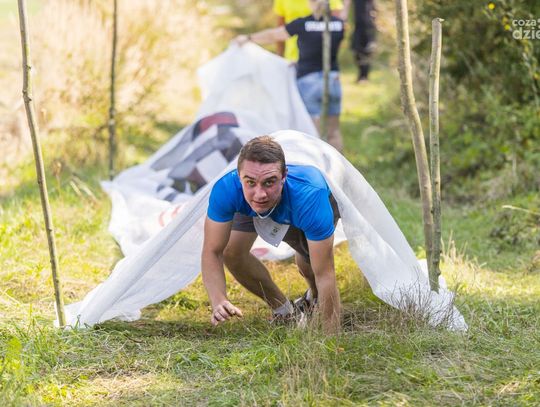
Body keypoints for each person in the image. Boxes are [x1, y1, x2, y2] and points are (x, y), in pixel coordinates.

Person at [201, 136, 341, 334]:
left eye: (269, 182)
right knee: (232, 252)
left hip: (300, 202)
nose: (260, 194)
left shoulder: (310, 194)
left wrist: (330, 339)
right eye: (250, 182)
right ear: (239, 176)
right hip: (250, 205)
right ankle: (285, 312)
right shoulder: (227, 189)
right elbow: (212, 251)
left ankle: (315, 297)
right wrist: (218, 299)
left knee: (309, 265)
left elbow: (326, 274)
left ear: (284, 176)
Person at [236, 0, 346, 152]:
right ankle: (338, 164)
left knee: (313, 134)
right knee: (334, 131)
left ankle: (316, 163)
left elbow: (273, 35)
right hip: (333, 80)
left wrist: (248, 38)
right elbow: (323, 47)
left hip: (308, 81)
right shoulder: (339, 24)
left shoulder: (302, 23)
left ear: (311, 3)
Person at [273, 0, 346, 62]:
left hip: (320, 62)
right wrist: (279, 56)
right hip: (291, 58)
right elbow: (280, 27)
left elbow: (336, 28)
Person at [349, 0, 377, 82]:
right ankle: (361, 75)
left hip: (368, 26)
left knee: (368, 51)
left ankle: (364, 76)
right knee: (357, 51)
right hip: (358, 26)